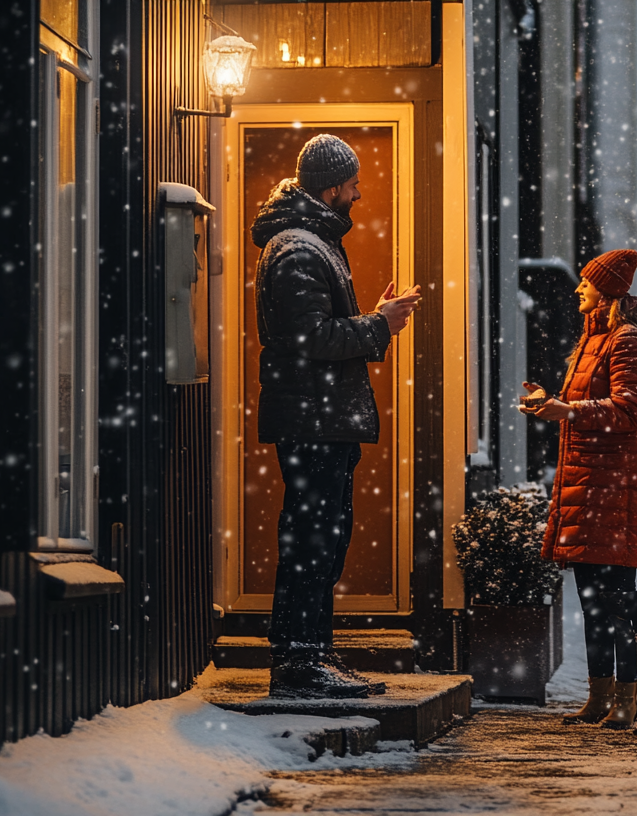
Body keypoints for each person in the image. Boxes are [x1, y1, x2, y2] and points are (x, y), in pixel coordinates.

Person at [251, 134, 422, 699]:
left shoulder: (309, 242)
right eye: (352, 183)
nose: (359, 192)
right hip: (313, 420)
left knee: (321, 536)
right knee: (312, 539)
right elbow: (309, 338)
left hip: (320, 418)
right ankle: (299, 662)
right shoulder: (300, 248)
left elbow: (315, 331)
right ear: (330, 187)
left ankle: (312, 653)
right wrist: (380, 325)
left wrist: (375, 316)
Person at [519, 249, 637, 729]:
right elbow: (589, 403)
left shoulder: (626, 340)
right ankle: (600, 697)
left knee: (616, 605)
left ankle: (627, 701)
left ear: (605, 291)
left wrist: (570, 412)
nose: (578, 289)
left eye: (586, 283)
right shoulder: (593, 339)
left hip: (610, 491)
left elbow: (630, 411)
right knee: (591, 603)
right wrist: (553, 404)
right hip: (587, 485)